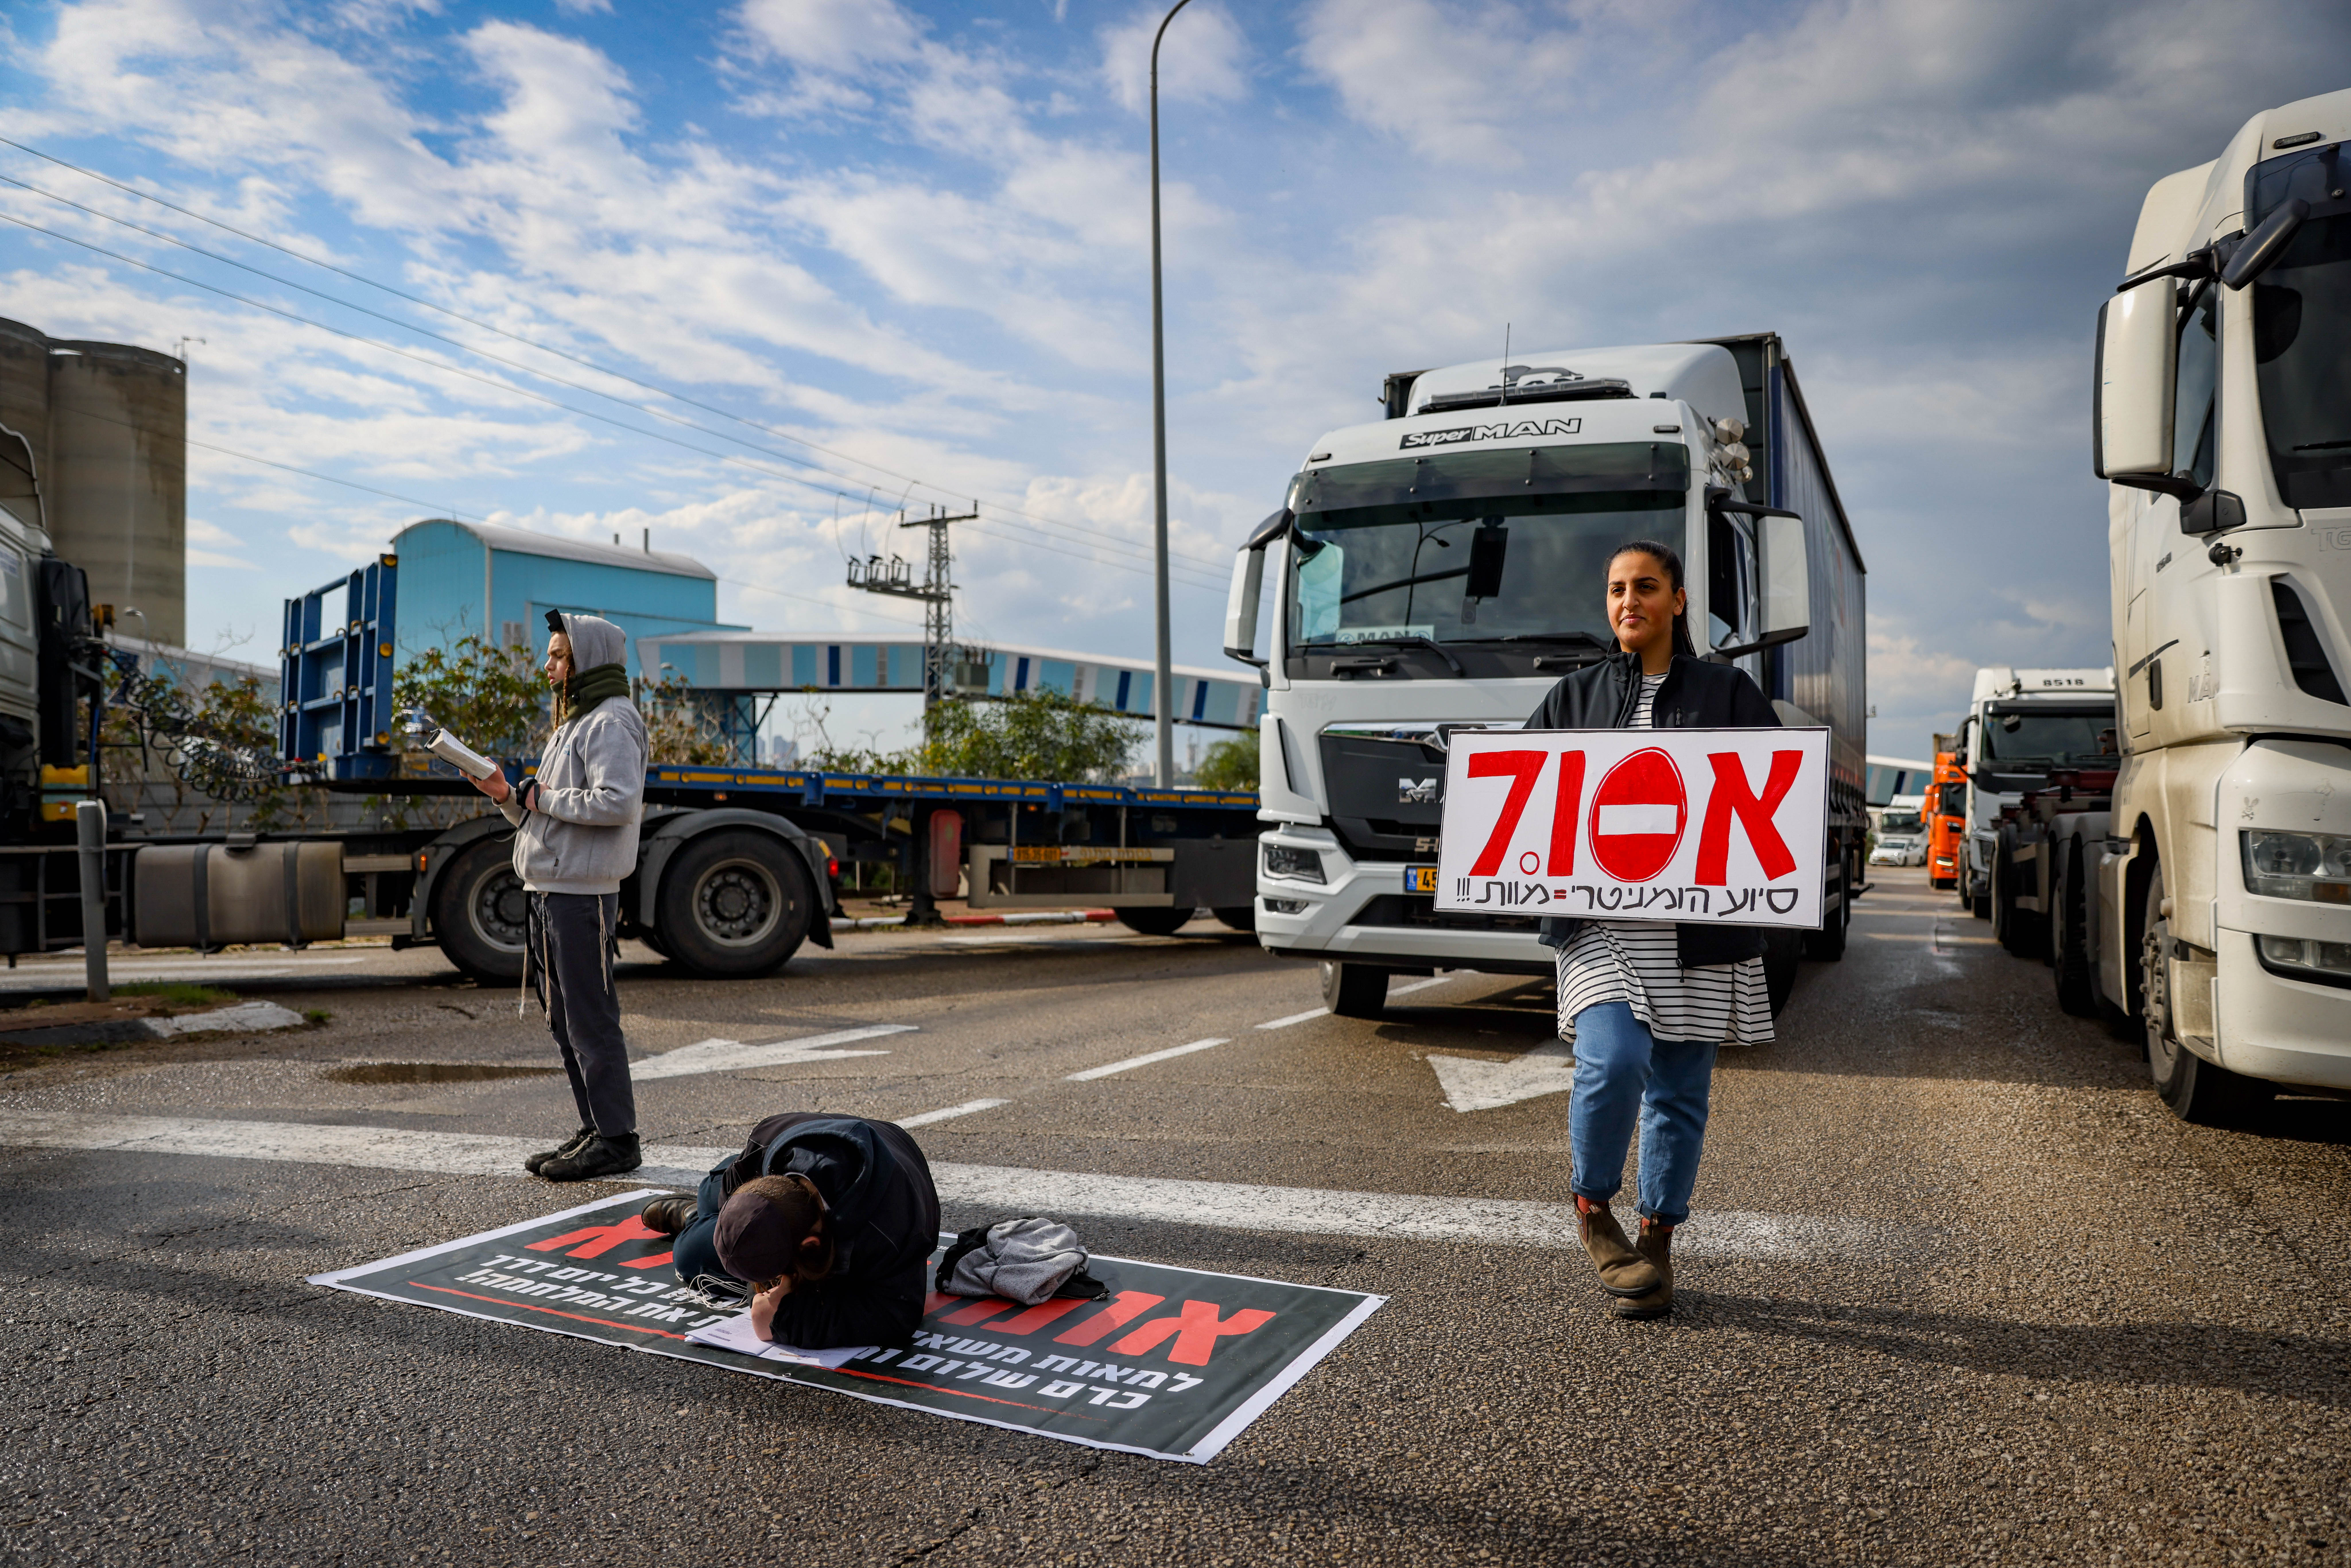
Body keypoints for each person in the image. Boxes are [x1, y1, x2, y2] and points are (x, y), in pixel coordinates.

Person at [1525, 538, 1779, 1319]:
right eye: (1615, 590)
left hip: (1696, 928)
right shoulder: (1573, 696)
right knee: (1613, 1058)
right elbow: (1524, 788)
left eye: (1644, 588)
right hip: (1602, 921)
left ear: (1677, 601)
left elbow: (1775, 793)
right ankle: (1593, 1209)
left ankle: (1657, 1240)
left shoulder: (1729, 692)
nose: (1627, 601)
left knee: (1679, 1090)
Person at [466, 609, 650, 1182]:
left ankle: (618, 1139)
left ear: (588, 659)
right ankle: (596, 1126)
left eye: (559, 655)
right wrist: (505, 794)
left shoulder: (612, 722)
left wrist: (535, 796)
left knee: (590, 1019)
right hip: (549, 889)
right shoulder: (573, 722)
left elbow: (616, 803)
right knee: (566, 1020)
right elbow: (540, 807)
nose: (547, 665)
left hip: (581, 894)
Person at [640, 1113, 941, 1350]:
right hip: (773, 1149)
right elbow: (736, 1214)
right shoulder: (764, 1143)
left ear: (811, 1245)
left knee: (689, 1255)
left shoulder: (891, 1229)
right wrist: (768, 1284)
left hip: (892, 1160)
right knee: (712, 1194)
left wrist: (782, 1319)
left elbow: (898, 1313)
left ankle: (696, 1217)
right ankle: (701, 1212)